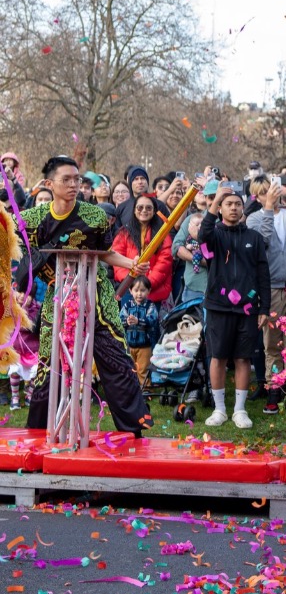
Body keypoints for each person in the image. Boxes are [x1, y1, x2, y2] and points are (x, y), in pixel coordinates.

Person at [18, 155, 152, 436]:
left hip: (96, 292)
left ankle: (133, 427)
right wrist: (22, 290)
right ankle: (39, 430)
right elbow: (24, 259)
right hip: (59, 295)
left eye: (76, 179)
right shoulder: (32, 220)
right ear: (49, 184)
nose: (73, 185)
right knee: (49, 361)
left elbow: (104, 253)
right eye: (65, 179)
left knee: (115, 355)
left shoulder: (95, 216)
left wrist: (131, 264)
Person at [199, 186, 271, 429]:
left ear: (243, 209)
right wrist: (216, 198)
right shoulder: (215, 235)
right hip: (218, 306)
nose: (233, 208)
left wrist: (264, 308)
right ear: (220, 208)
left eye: (237, 204)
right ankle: (220, 409)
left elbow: (263, 274)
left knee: (243, 358)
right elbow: (202, 235)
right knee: (217, 357)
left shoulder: (254, 238)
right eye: (228, 204)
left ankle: (239, 410)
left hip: (247, 309)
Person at [245, 177, 286, 414]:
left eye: (270, 191)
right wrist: (268, 210)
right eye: (262, 193)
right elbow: (261, 242)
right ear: (256, 196)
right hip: (271, 288)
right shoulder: (254, 218)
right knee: (272, 343)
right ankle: (274, 389)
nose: (268, 195)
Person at [111, 193, 173, 309]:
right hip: (129, 289)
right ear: (134, 210)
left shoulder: (163, 234)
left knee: (150, 325)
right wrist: (133, 284)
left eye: (148, 208)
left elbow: (164, 263)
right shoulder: (123, 232)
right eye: (140, 207)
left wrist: (145, 285)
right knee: (127, 324)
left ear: (154, 211)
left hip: (153, 291)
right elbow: (117, 260)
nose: (144, 210)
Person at [120, 275, 160, 387]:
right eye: (136, 290)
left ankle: (145, 388)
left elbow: (152, 320)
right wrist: (126, 321)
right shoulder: (127, 306)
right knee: (130, 368)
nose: (139, 294)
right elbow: (120, 319)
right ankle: (132, 388)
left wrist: (138, 321)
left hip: (145, 345)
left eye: (143, 290)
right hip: (130, 344)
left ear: (148, 291)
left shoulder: (150, 306)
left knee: (143, 369)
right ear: (130, 291)